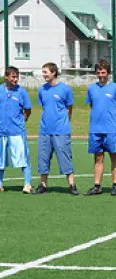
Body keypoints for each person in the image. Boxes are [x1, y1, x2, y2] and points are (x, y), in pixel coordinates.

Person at [83, 60, 116, 196]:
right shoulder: (91, 88)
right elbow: (92, 105)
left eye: (103, 72)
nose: (100, 75)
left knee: (114, 156)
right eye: (98, 72)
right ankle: (97, 186)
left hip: (111, 129)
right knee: (98, 158)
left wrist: (112, 118)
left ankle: (115, 185)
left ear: (108, 73)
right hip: (95, 129)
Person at [35, 62, 78, 194]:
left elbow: (69, 108)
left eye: (45, 72)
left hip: (61, 131)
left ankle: (72, 185)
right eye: (43, 72)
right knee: (43, 158)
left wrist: (64, 122)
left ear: (53, 72)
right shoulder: (42, 90)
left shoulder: (65, 89)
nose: (44, 75)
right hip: (45, 130)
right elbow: (44, 106)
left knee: (65, 157)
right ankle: (43, 185)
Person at [0, 66, 33, 193]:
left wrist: (21, 122)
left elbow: (28, 110)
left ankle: (27, 184)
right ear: (6, 77)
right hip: (2, 131)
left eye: (17, 77)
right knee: (1, 159)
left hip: (17, 132)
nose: (15, 79)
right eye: (13, 76)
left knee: (23, 158)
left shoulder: (22, 92)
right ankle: (0, 184)